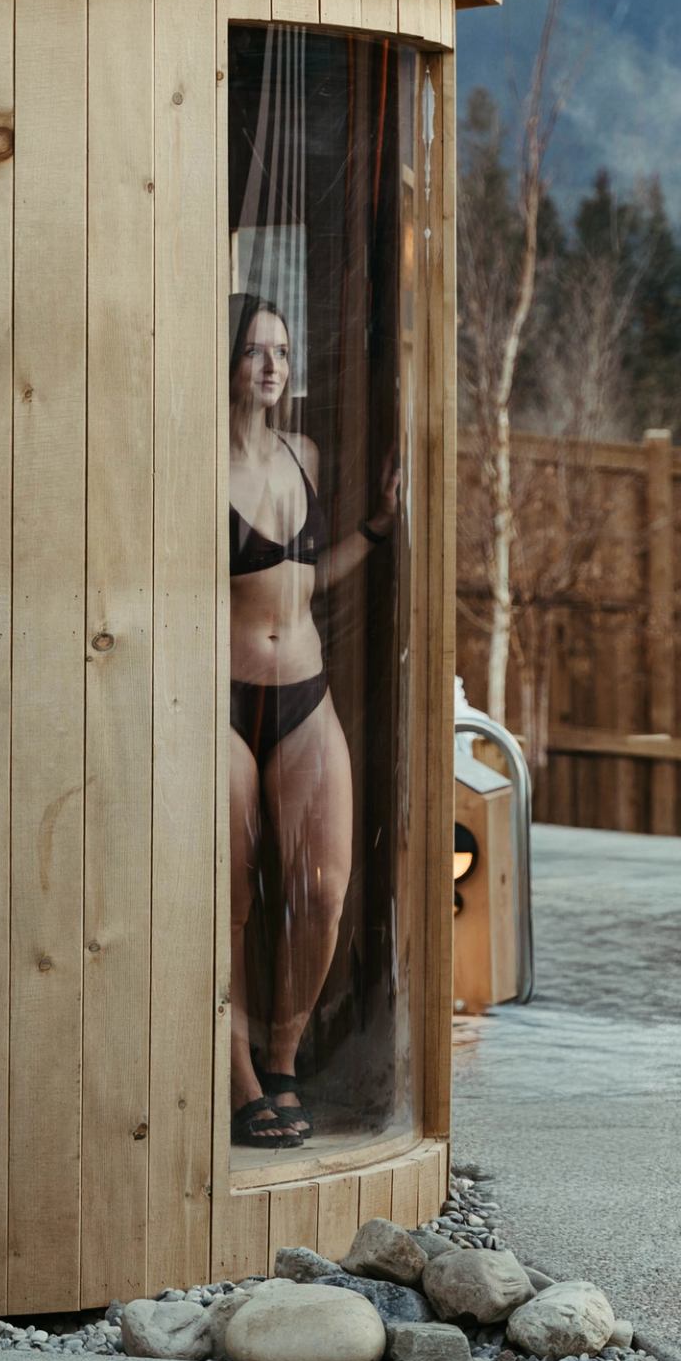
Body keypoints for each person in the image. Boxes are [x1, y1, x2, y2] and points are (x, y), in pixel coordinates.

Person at [228, 295, 397, 1147]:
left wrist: (371, 531)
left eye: (282, 353)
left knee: (322, 890)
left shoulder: (305, 455)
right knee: (227, 900)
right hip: (222, 699)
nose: (271, 367)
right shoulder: (197, 466)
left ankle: (283, 1055)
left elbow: (305, 582)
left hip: (305, 693)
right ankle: (240, 1079)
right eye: (255, 351)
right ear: (225, 362)